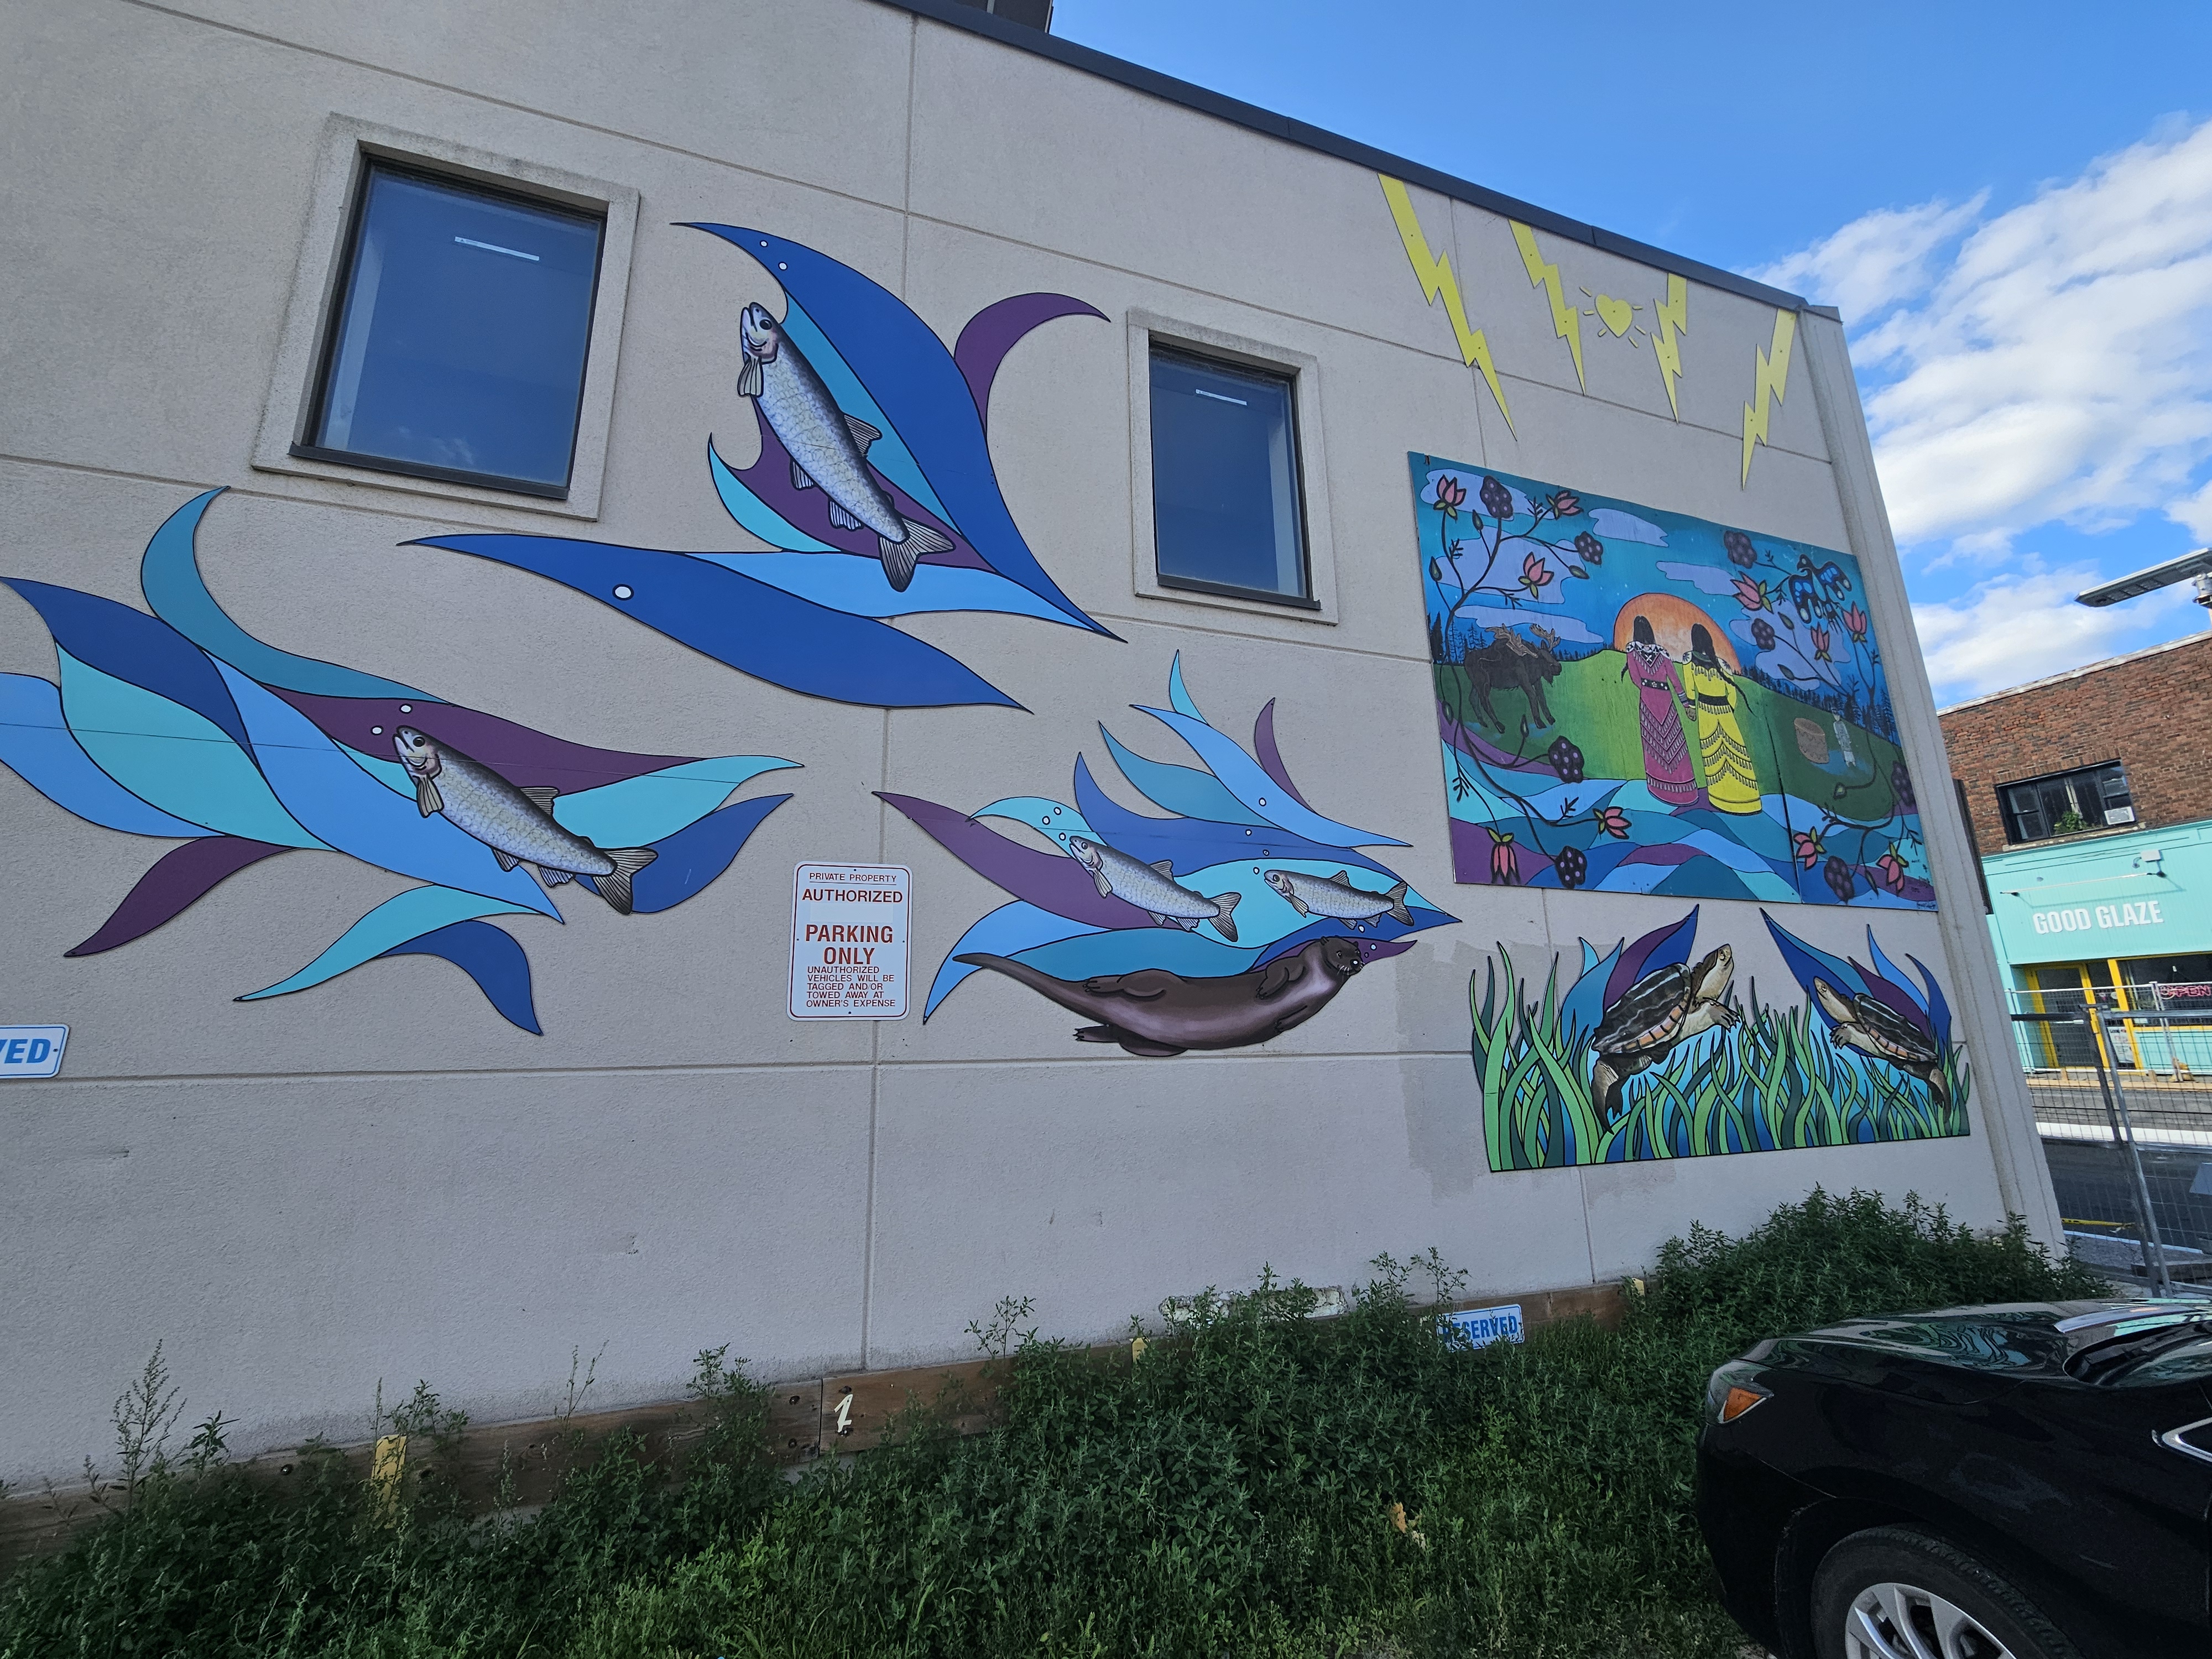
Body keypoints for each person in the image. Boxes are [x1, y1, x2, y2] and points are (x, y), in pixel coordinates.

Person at [1622, 615, 1703, 807]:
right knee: (1675, 741)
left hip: (1648, 698)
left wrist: (1647, 690)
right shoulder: (1662, 653)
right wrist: (1686, 705)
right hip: (1667, 699)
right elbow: (1675, 680)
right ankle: (1684, 791)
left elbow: (1635, 677)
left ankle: (1660, 788)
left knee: (1654, 742)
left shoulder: (1632, 651)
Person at [1682, 624, 1760, 815]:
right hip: (1724, 711)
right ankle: (1747, 801)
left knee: (1712, 752)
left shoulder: (1689, 661)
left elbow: (1690, 686)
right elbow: (1732, 694)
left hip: (1706, 711)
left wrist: (1692, 707)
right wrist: (1728, 712)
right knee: (1735, 751)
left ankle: (1720, 798)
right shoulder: (1722, 664)